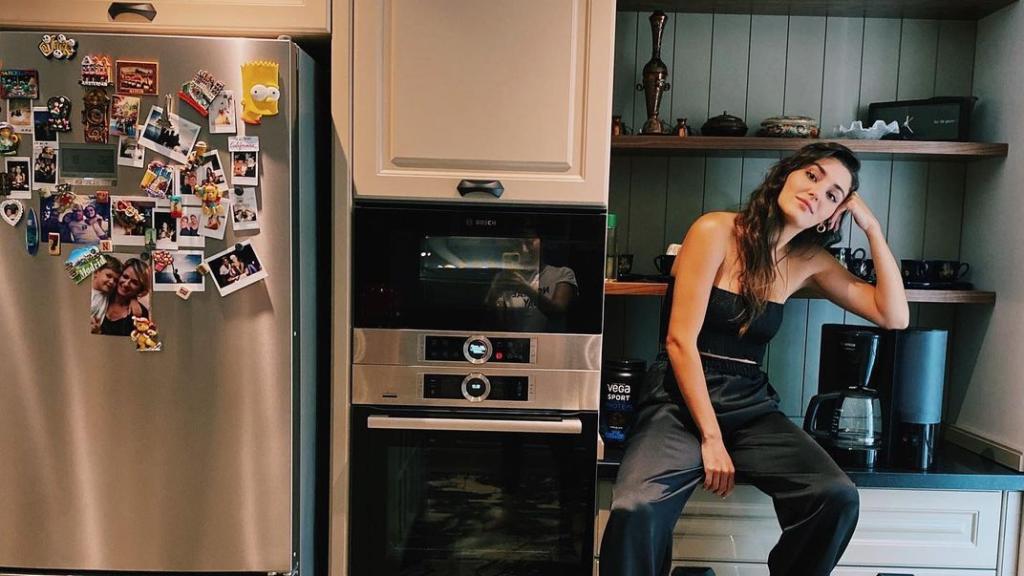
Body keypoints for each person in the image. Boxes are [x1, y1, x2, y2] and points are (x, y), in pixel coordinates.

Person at [599, 142, 909, 576]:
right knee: (635, 507)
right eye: (813, 176)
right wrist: (711, 439)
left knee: (836, 495)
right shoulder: (715, 230)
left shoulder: (808, 261)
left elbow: (893, 316)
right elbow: (678, 341)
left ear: (833, 215)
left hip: (750, 406)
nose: (817, 193)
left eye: (834, 195)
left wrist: (872, 227)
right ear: (787, 174)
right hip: (679, 399)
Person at [99, 257, 151, 336]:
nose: (126, 284)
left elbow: (138, 343)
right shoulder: (103, 295)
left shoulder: (140, 313)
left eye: (134, 282)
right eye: (125, 276)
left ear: (140, 289)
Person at [90, 255, 123, 334]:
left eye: (115, 280)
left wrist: (134, 300)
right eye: (108, 276)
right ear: (96, 272)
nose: (112, 282)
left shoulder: (109, 293)